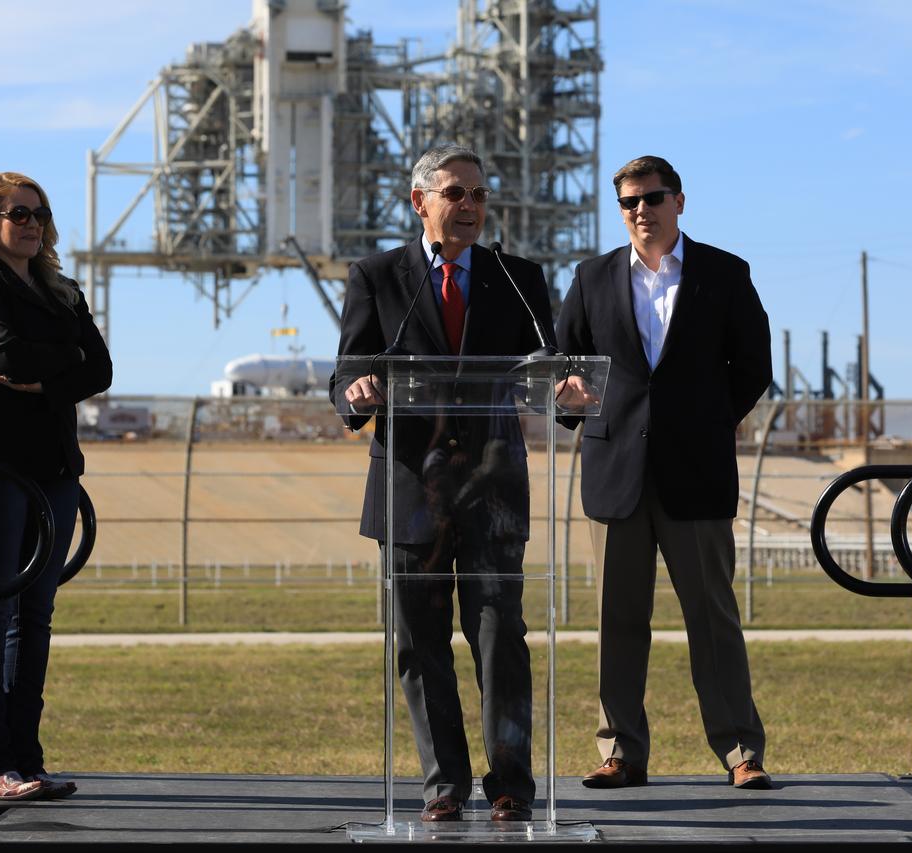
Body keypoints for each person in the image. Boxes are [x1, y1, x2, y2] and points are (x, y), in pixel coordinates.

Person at [329, 145, 556, 823]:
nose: (470, 207)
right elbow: (349, 367)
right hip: (411, 490)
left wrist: (566, 384)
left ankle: (511, 782)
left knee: (500, 636)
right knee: (420, 645)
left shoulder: (517, 277)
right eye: (456, 194)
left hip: (492, 489)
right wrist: (358, 388)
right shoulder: (376, 276)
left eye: (480, 196)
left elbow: (549, 363)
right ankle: (444, 785)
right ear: (419, 200)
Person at [555, 156, 774, 790]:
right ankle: (620, 750)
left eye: (653, 198)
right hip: (614, 473)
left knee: (712, 618)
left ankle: (741, 752)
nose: (641, 211)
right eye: (629, 202)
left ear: (680, 201)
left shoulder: (725, 274)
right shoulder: (590, 277)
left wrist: (708, 421)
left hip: (696, 475)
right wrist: (570, 401)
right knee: (617, 622)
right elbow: (566, 363)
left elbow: (753, 365)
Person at [0, 172, 112, 800]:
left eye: (39, 213)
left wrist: (46, 379)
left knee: (34, 617)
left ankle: (26, 758)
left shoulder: (63, 290)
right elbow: (4, 353)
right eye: (17, 213)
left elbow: (98, 369)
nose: (31, 223)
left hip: (54, 466)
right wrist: (60, 362)